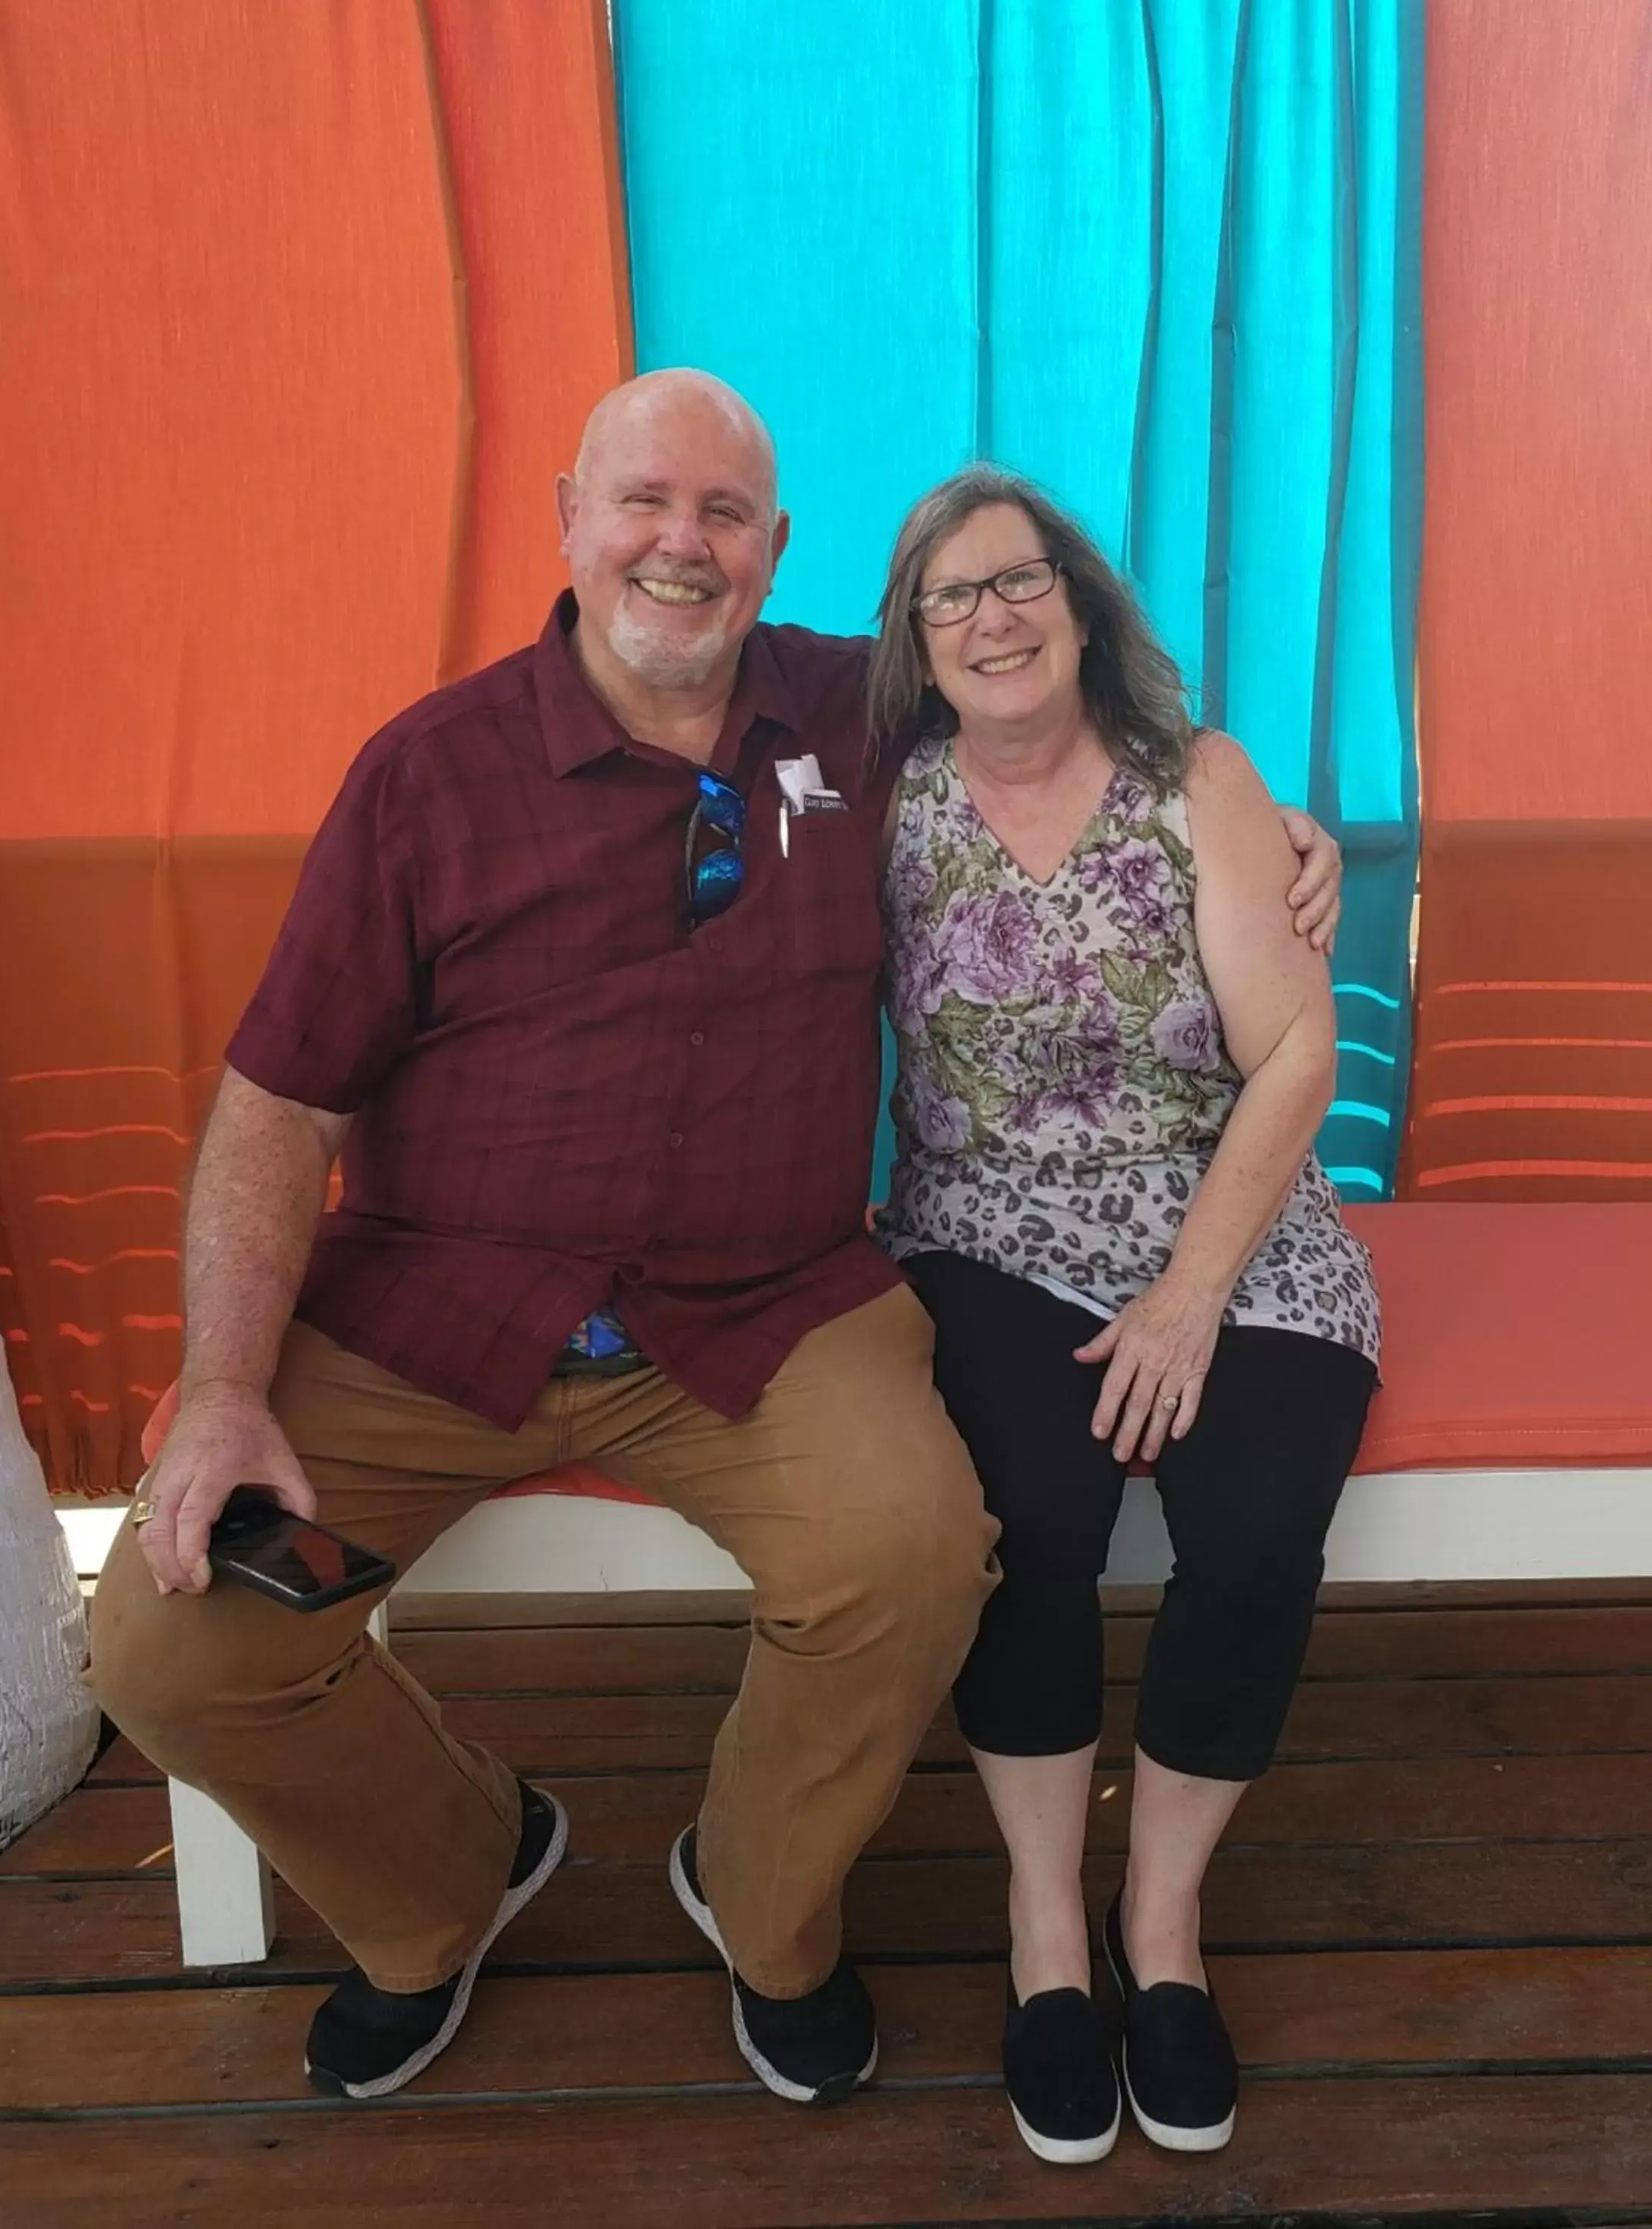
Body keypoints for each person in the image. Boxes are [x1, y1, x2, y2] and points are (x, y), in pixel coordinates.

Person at [85, 373, 1343, 2111]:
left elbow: (1065, 732)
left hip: (763, 1311)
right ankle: (447, 1883)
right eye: (643, 504)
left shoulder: (855, 703)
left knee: (914, 1559)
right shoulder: (430, 775)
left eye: (724, 516)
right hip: (437, 1316)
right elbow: (276, 1106)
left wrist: (1274, 826)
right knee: (163, 1645)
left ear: (774, 550)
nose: (680, 545)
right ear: (569, 521)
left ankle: (764, 1910)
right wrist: (224, 1383)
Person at [868, 466, 1381, 2165]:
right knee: (1031, 1515)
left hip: (1228, 1218)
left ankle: (1159, 1926)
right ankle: (1039, 1925)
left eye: (1023, 584)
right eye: (955, 598)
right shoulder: (887, 801)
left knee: (1254, 1520)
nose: (994, 619)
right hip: (989, 1231)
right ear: (917, 643)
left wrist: (1187, 1295)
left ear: (1083, 609)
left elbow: (1298, 1054)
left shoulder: (1198, 781)